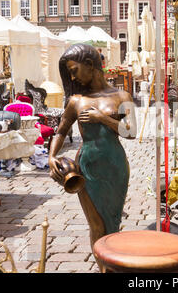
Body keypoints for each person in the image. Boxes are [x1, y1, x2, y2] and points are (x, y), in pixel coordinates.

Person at [48, 43, 137, 252]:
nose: (72, 78)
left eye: (73, 71)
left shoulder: (122, 96)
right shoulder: (76, 101)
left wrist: (103, 118)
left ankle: (112, 264)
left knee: (113, 223)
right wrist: (52, 156)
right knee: (96, 225)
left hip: (115, 167)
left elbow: (131, 132)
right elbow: (61, 131)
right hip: (87, 168)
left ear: (89, 64)